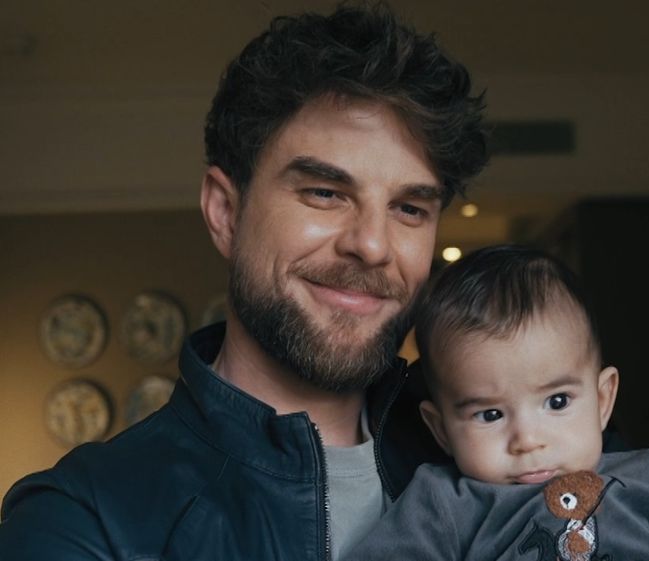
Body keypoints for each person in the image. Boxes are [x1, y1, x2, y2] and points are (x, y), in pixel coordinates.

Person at [0, 3, 487, 560]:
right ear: (225, 213)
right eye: (324, 193)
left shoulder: (514, 438)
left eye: (408, 208)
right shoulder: (83, 522)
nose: (373, 245)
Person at [344, 245, 649, 561]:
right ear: (441, 428)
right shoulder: (444, 504)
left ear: (604, 399)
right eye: (490, 414)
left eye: (558, 401)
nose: (528, 439)